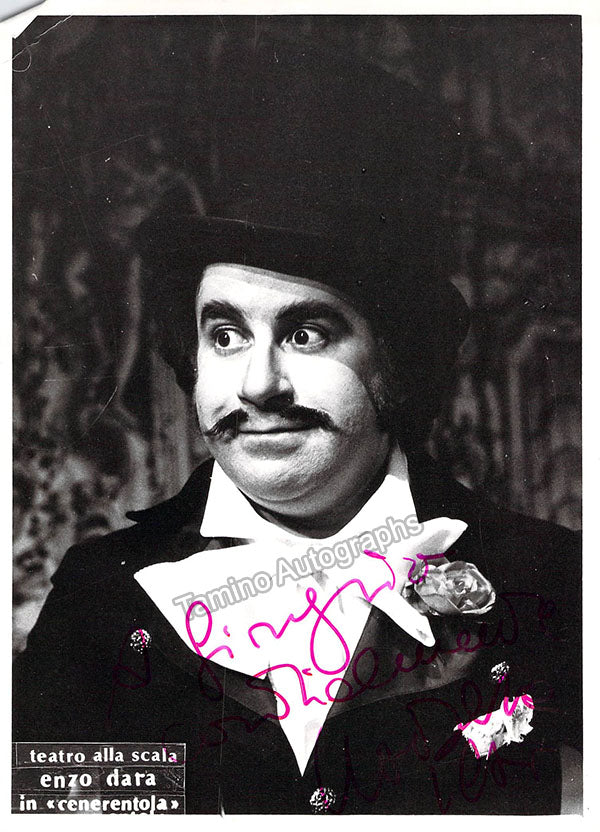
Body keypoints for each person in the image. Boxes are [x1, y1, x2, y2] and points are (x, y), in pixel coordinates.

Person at [13, 34, 581, 815]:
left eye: (307, 333)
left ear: (396, 361)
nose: (258, 384)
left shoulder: (551, 580)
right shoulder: (101, 599)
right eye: (225, 334)